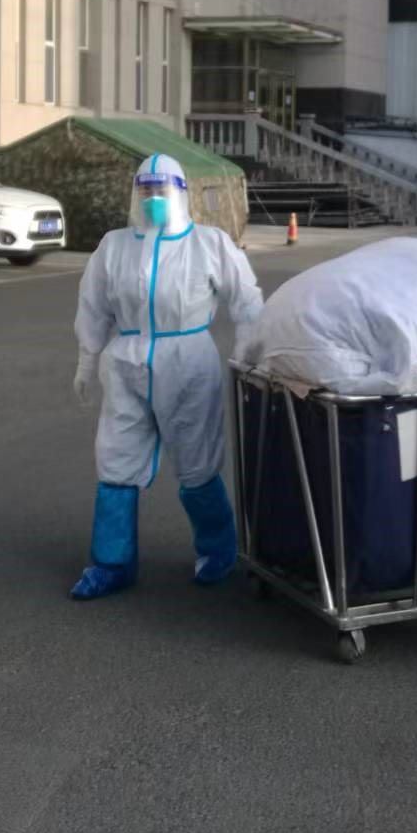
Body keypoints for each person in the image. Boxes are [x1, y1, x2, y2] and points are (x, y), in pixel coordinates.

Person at [70, 153, 264, 600]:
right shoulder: (114, 246)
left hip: (188, 360)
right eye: (145, 189)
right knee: (115, 459)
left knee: (197, 462)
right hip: (127, 359)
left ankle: (217, 550)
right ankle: (111, 564)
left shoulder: (209, 243)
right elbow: (94, 305)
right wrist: (86, 359)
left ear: (181, 194)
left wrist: (246, 351)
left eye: (162, 189)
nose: (153, 198)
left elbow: (247, 300)